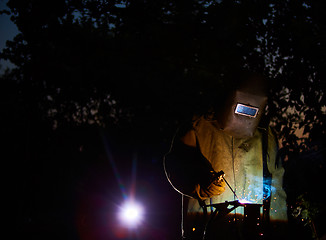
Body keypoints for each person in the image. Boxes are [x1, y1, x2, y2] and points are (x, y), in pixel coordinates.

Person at [164, 72, 288, 240]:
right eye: (241, 108)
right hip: (206, 231)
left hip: (252, 233)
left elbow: (276, 190)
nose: (244, 117)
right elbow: (176, 166)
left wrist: (279, 229)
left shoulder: (266, 136)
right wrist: (201, 185)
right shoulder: (198, 129)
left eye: (251, 111)